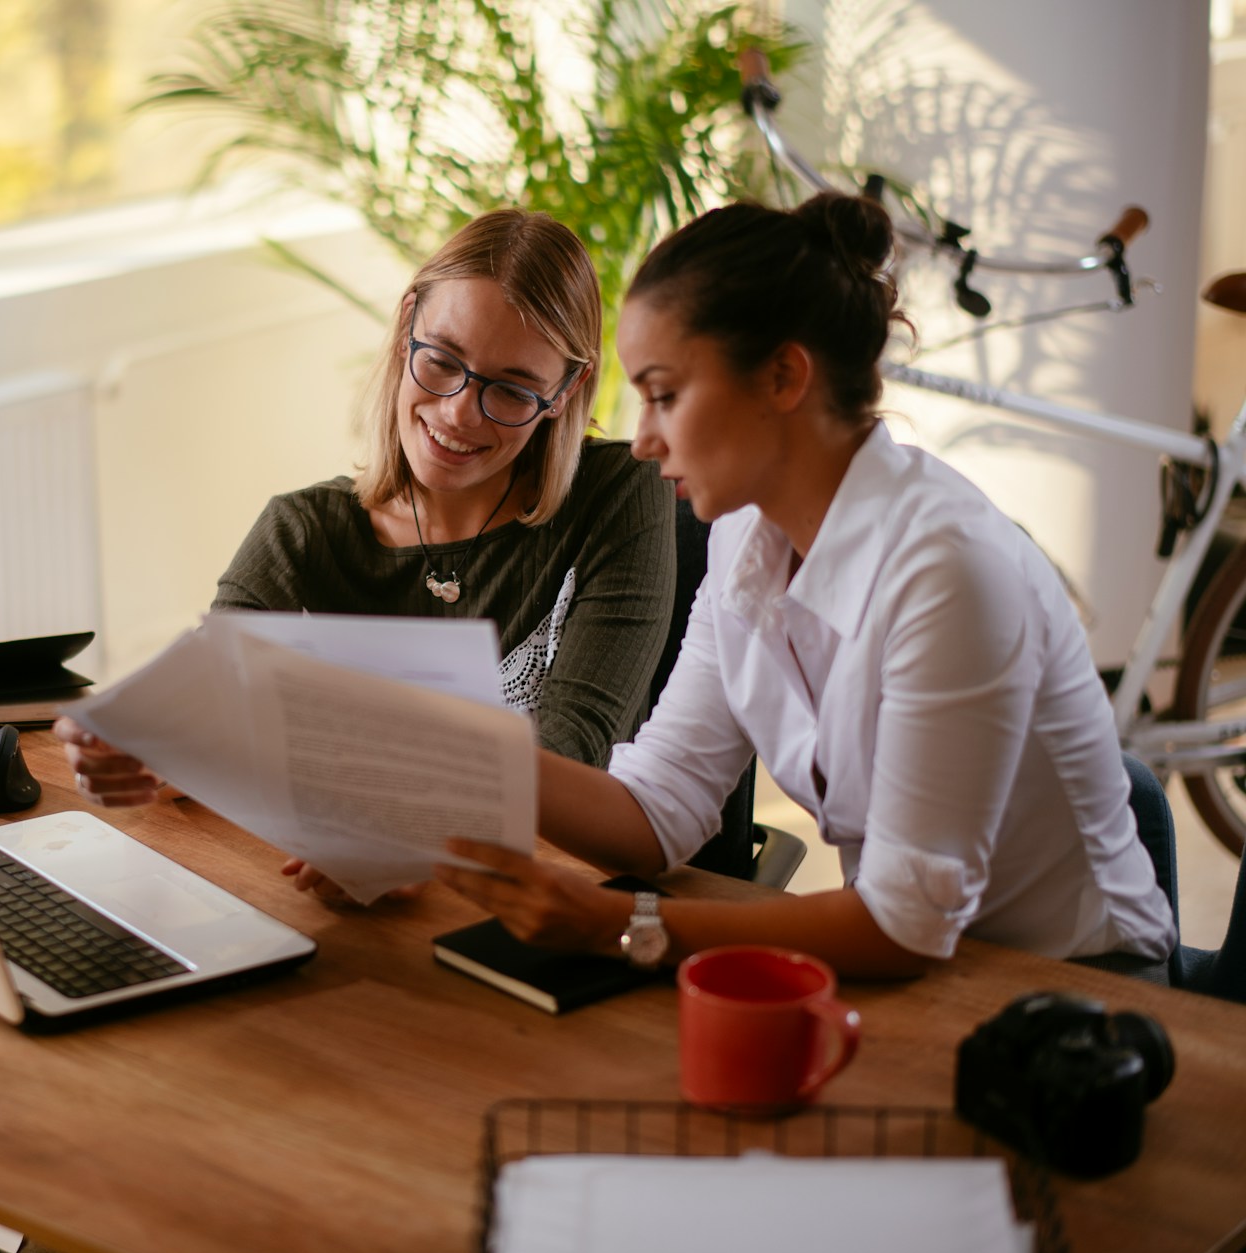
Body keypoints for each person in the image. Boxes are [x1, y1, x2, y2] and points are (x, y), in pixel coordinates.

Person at [430, 192, 1177, 981]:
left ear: (784, 375)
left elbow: (902, 925)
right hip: (934, 972)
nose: (643, 441)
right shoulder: (746, 541)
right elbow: (662, 804)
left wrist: (618, 922)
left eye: (665, 395)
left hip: (1079, 987)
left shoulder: (947, 572)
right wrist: (454, 756)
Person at [61, 209, 676, 902]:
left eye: (509, 388)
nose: (458, 414)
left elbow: (574, 747)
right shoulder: (302, 531)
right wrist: (151, 752)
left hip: (554, 910)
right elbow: (211, 720)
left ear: (564, 391)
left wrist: (400, 826)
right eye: (442, 361)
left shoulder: (621, 496)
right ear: (406, 322)